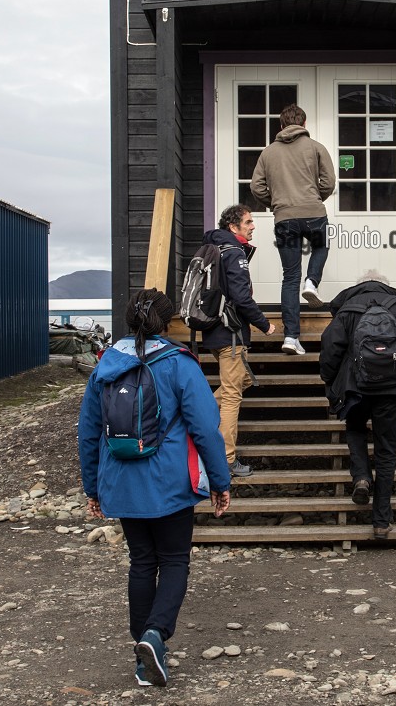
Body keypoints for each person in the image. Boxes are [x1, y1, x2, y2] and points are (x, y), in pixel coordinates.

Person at [78, 288, 232, 688]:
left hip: (121, 483)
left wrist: (92, 486)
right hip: (170, 483)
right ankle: (155, 636)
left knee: (142, 562)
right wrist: (220, 480)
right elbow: (205, 428)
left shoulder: (106, 365)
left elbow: (89, 432)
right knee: (175, 560)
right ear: (167, 324)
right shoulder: (179, 364)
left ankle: (142, 654)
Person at [318, 273, 396, 539]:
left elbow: (329, 349)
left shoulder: (347, 309)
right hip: (393, 390)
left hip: (356, 388)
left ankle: (360, 477)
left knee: (356, 428)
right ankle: (381, 521)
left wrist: (330, 382)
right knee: (386, 451)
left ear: (358, 285)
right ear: (385, 285)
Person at [251, 104, 336, 357]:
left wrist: (275, 203)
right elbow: (329, 182)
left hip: (284, 217)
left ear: (281, 125)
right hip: (313, 214)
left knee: (289, 277)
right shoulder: (316, 148)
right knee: (321, 246)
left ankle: (290, 337)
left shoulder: (267, 153)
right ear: (304, 124)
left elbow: (257, 187)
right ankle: (312, 281)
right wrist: (314, 198)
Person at [201, 205, 277, 477]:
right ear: (233, 227)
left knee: (238, 381)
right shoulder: (233, 252)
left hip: (213, 331)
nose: (253, 226)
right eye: (248, 221)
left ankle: (197, 413)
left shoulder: (215, 248)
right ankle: (226, 460)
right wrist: (265, 324)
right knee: (233, 395)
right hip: (230, 333)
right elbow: (241, 297)